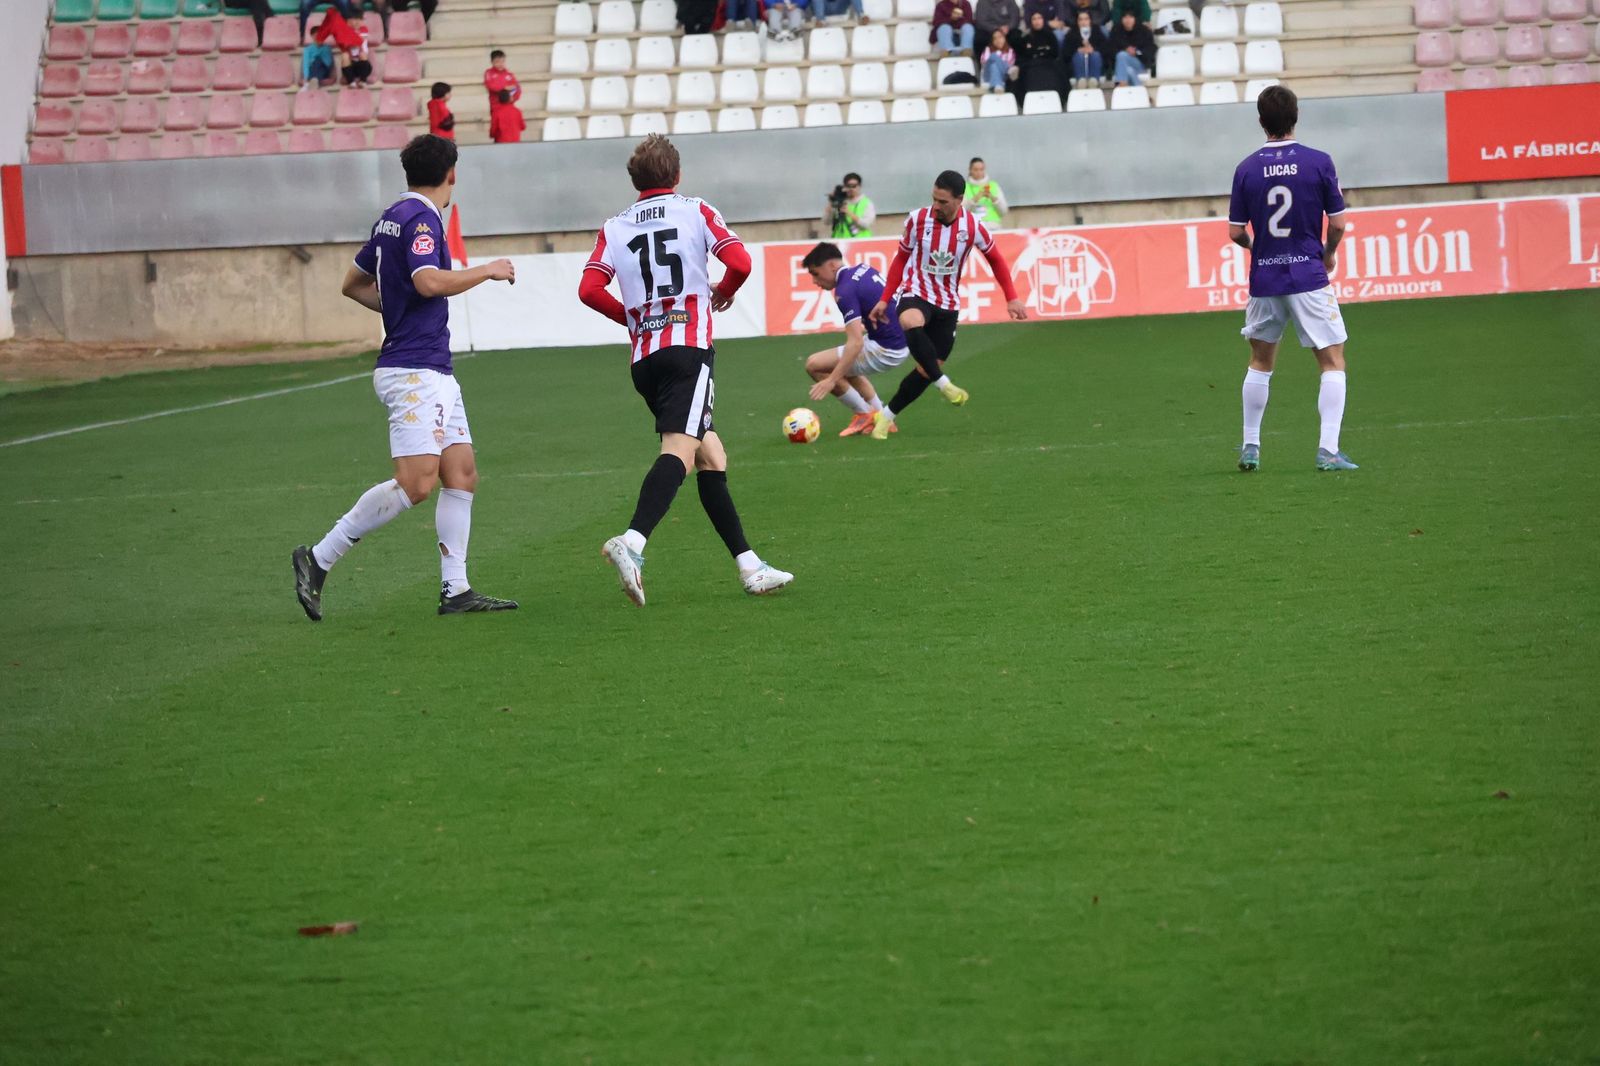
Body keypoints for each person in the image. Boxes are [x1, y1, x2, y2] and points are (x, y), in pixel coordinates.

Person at [293, 135, 520, 621]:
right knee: (416, 484)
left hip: (431, 367)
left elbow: (351, 283)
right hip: (415, 371)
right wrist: (486, 270)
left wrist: (393, 309)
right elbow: (426, 280)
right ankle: (319, 557)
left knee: (461, 474)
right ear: (451, 173)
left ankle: (455, 589)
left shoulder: (389, 218)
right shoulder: (422, 219)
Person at [577, 135, 792, 605]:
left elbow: (589, 289)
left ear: (635, 181)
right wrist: (725, 290)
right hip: (687, 348)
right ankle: (631, 542)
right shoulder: (695, 210)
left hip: (645, 358)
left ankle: (750, 567)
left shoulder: (614, 226)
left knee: (711, 455)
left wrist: (633, 321)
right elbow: (739, 262)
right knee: (679, 450)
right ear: (676, 175)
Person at [1228, 86, 1356, 472]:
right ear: (1296, 116)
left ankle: (1251, 446)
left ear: (1260, 121)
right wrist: (1329, 252)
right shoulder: (1319, 162)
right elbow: (1337, 224)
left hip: (1265, 279)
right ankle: (1328, 450)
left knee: (1259, 361)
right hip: (1308, 275)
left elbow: (1235, 232)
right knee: (1332, 361)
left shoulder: (1246, 168)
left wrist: (1257, 248)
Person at [865, 170, 1028, 439]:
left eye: (943, 202)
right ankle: (945, 384)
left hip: (948, 302)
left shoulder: (974, 227)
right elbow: (900, 259)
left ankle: (885, 417)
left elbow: (996, 260)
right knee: (909, 321)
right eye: (934, 199)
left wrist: (1011, 297)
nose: (936, 207)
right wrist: (885, 299)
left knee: (925, 369)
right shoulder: (918, 219)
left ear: (959, 200)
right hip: (916, 291)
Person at [800, 244, 912, 437]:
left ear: (832, 265)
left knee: (815, 365)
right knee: (844, 361)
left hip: (888, 348)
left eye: (815, 274)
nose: (814, 281)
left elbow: (856, 343)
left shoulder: (844, 290)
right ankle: (884, 418)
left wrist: (831, 381)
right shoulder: (862, 269)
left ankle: (864, 413)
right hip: (900, 339)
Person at [1014, 10, 1064, 100]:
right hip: (1031, 66)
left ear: (1043, 20)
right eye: (1034, 19)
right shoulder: (1026, 37)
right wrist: (1042, 50)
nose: (1037, 21)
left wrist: (1037, 52)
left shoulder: (1050, 35)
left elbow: (1054, 53)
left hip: (1049, 65)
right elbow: (1024, 55)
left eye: (1039, 18)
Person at [484, 50, 525, 144]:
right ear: (492, 62)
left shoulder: (509, 75)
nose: (500, 64)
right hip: (496, 107)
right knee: (500, 130)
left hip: (509, 107)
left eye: (502, 61)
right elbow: (491, 86)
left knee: (511, 130)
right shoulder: (489, 73)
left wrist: (512, 98)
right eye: (497, 62)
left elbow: (517, 89)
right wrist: (505, 88)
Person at [1062, 8, 1108, 87]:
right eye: (1081, 20)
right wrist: (1078, 49)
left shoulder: (1096, 31)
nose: (1083, 22)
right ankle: (1081, 81)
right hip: (1077, 62)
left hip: (1094, 60)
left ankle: (1094, 81)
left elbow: (1105, 48)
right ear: (1077, 21)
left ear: (1090, 20)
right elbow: (1066, 52)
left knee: (1095, 55)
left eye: (1086, 19)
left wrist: (1093, 49)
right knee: (1079, 56)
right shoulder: (1072, 33)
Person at [1107, 9, 1154, 85]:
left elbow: (1150, 50)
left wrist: (1136, 52)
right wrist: (1126, 50)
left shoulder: (1144, 31)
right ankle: (1141, 93)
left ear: (1135, 18)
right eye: (1125, 17)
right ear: (1121, 19)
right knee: (1129, 70)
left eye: (1130, 17)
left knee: (1122, 55)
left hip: (1140, 64)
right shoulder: (1116, 31)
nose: (1128, 20)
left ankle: (1121, 86)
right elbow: (1110, 49)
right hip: (1120, 65)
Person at [823, 173, 875, 240]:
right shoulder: (839, 201)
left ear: (859, 186)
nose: (851, 189)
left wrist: (848, 212)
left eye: (854, 186)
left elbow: (865, 225)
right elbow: (826, 221)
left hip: (859, 242)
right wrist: (831, 201)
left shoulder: (866, 203)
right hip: (839, 242)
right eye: (848, 186)